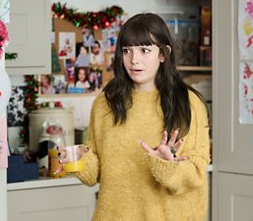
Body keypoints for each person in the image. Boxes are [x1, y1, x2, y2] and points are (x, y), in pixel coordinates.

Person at [74, 13, 210, 221]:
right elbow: (95, 172)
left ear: (163, 54)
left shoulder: (189, 103)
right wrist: (75, 159)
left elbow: (197, 173)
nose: (134, 60)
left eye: (145, 50)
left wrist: (169, 166)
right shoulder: (106, 102)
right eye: (127, 51)